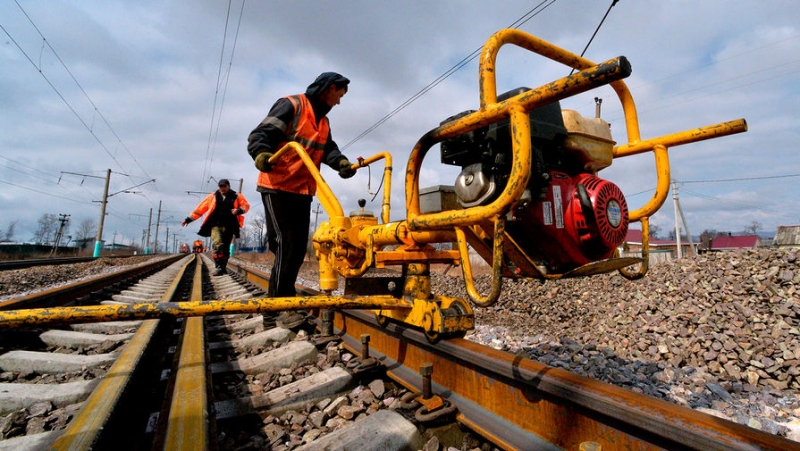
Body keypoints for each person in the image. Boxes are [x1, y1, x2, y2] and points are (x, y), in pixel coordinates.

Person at [247, 72, 356, 297]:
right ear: (329, 88)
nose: (338, 102)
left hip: (302, 190)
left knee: (297, 250)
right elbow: (260, 134)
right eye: (339, 95)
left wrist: (342, 163)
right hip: (276, 186)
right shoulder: (291, 106)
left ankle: (285, 297)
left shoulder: (323, 122)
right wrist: (261, 154)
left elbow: (328, 149)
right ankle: (277, 306)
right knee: (285, 244)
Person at [181, 179, 250, 276]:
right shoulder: (212, 196)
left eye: (224, 186)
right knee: (218, 244)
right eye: (220, 186)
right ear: (218, 187)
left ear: (228, 186)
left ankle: (223, 267)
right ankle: (218, 266)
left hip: (230, 225)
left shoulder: (237, 196)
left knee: (225, 248)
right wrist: (188, 219)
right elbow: (200, 209)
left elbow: (246, 206)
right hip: (215, 225)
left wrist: (238, 210)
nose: (222, 188)